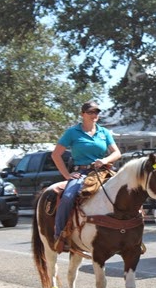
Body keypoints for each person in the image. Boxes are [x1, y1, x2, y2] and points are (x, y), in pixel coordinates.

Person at [52, 100, 122, 253]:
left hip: (103, 170)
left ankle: (131, 234)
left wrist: (104, 160)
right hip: (82, 172)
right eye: (90, 112)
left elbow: (117, 153)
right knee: (68, 196)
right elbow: (56, 155)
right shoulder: (72, 132)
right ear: (82, 114)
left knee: (126, 190)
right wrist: (67, 175)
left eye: (96, 112)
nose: (94, 115)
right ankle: (60, 235)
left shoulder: (104, 132)